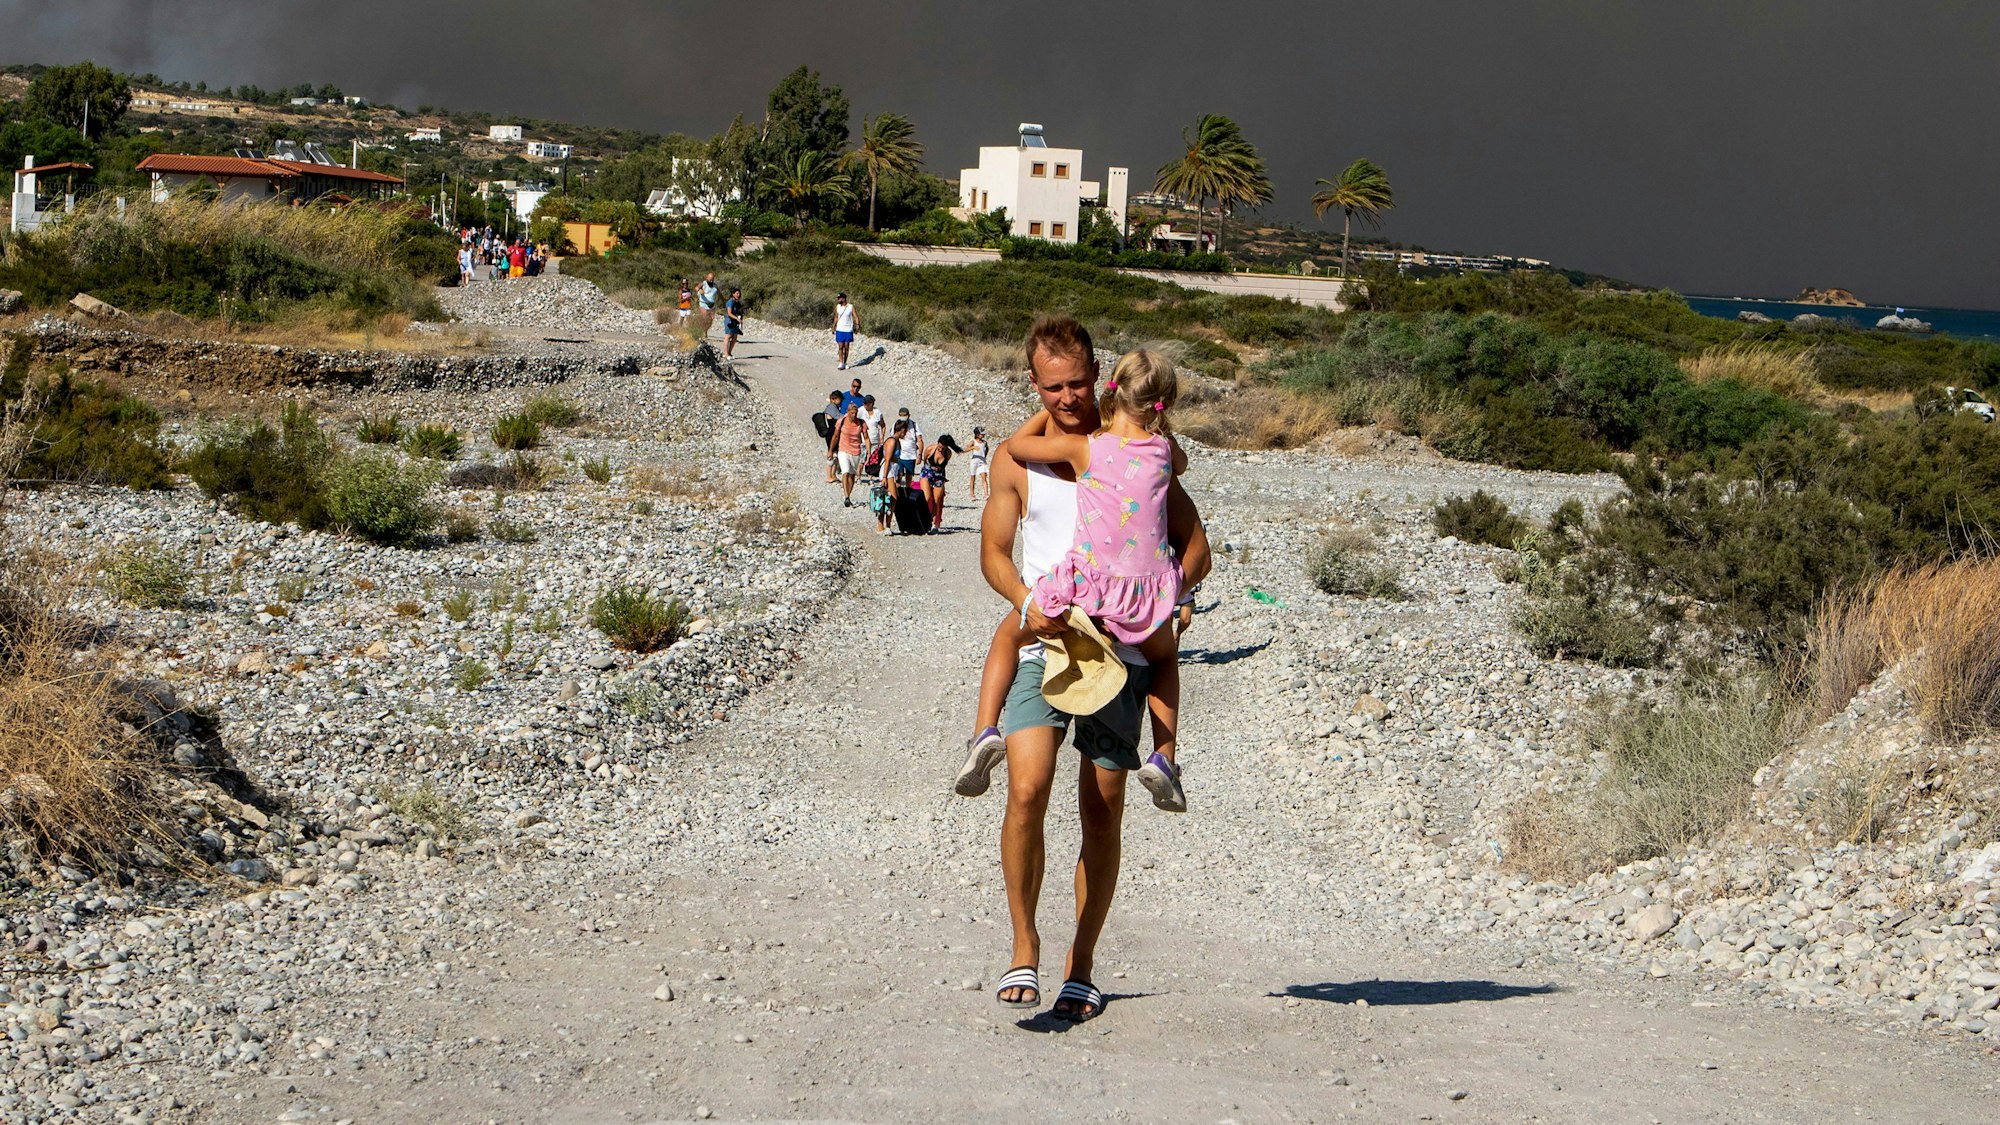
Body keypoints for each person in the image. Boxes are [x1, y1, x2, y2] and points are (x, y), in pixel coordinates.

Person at [962, 315, 1210, 1021]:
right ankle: (1023, 944)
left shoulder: (1136, 446)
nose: (1068, 396)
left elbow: (1197, 546)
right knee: (1026, 788)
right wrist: (1024, 602)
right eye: (1053, 386)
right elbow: (993, 554)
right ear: (1034, 384)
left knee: (1100, 816)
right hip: (1050, 641)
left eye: (1078, 383)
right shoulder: (1022, 459)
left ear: (1098, 374)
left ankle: (1082, 963)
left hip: (1124, 656)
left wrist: (1170, 597)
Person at [999, 348, 1191, 812]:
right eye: (1054, 388)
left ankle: (984, 730)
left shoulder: (1085, 448)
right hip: (1146, 593)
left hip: (1089, 591)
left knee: (1010, 633)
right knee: (1164, 660)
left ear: (1109, 387)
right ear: (1162, 403)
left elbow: (1016, 448)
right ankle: (1165, 756)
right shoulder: (1165, 452)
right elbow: (1180, 469)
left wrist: (1041, 405)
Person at [918, 434, 963, 532]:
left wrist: (943, 478)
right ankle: (922, 520)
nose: (940, 449)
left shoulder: (948, 453)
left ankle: (934, 525)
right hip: (927, 473)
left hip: (939, 476)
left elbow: (944, 466)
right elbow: (925, 460)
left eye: (943, 447)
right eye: (939, 446)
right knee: (926, 497)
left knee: (936, 501)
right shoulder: (930, 449)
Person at [828, 401, 866, 507]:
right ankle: (846, 497)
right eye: (852, 413)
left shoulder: (861, 423)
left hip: (856, 450)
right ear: (848, 412)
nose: (854, 415)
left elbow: (866, 437)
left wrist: (869, 451)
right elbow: (835, 436)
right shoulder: (842, 421)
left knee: (852, 475)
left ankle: (849, 494)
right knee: (845, 472)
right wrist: (830, 450)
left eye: (856, 413)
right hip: (843, 449)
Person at [815, 390, 845, 483]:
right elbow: (838, 417)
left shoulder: (833, 407)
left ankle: (833, 475)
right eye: (839, 399)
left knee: (835, 455)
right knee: (831, 454)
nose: (841, 402)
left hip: (834, 433)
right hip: (831, 434)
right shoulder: (831, 407)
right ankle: (829, 476)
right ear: (834, 399)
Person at [832, 292, 860, 370]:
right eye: (837, 298)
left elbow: (855, 316)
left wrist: (858, 324)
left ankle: (845, 362)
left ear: (843, 298)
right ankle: (841, 363)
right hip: (840, 329)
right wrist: (833, 327)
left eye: (839, 298)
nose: (838, 300)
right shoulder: (837, 307)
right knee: (840, 346)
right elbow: (836, 317)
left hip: (848, 329)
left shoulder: (851, 307)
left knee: (846, 347)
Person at [967, 427, 992, 501]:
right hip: (974, 460)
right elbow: (965, 449)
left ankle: (986, 494)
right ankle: (972, 494)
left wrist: (984, 456)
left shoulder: (984, 442)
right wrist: (973, 447)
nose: (983, 435)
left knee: (984, 476)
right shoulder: (973, 441)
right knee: (973, 477)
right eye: (982, 434)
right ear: (977, 434)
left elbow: (987, 449)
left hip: (982, 461)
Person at [859, 394, 886, 460]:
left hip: (875, 441)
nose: (864, 404)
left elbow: (883, 425)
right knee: (861, 461)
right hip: (863, 441)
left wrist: (882, 436)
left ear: (871, 403)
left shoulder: (877, 412)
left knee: (872, 461)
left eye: (865, 403)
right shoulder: (860, 411)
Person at [721, 287, 744, 360]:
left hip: (735, 321)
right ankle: (725, 353)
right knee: (728, 336)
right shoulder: (730, 302)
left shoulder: (737, 303)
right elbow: (729, 313)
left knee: (734, 337)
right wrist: (736, 318)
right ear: (733, 294)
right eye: (737, 293)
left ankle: (729, 352)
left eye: (739, 293)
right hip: (729, 320)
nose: (738, 295)